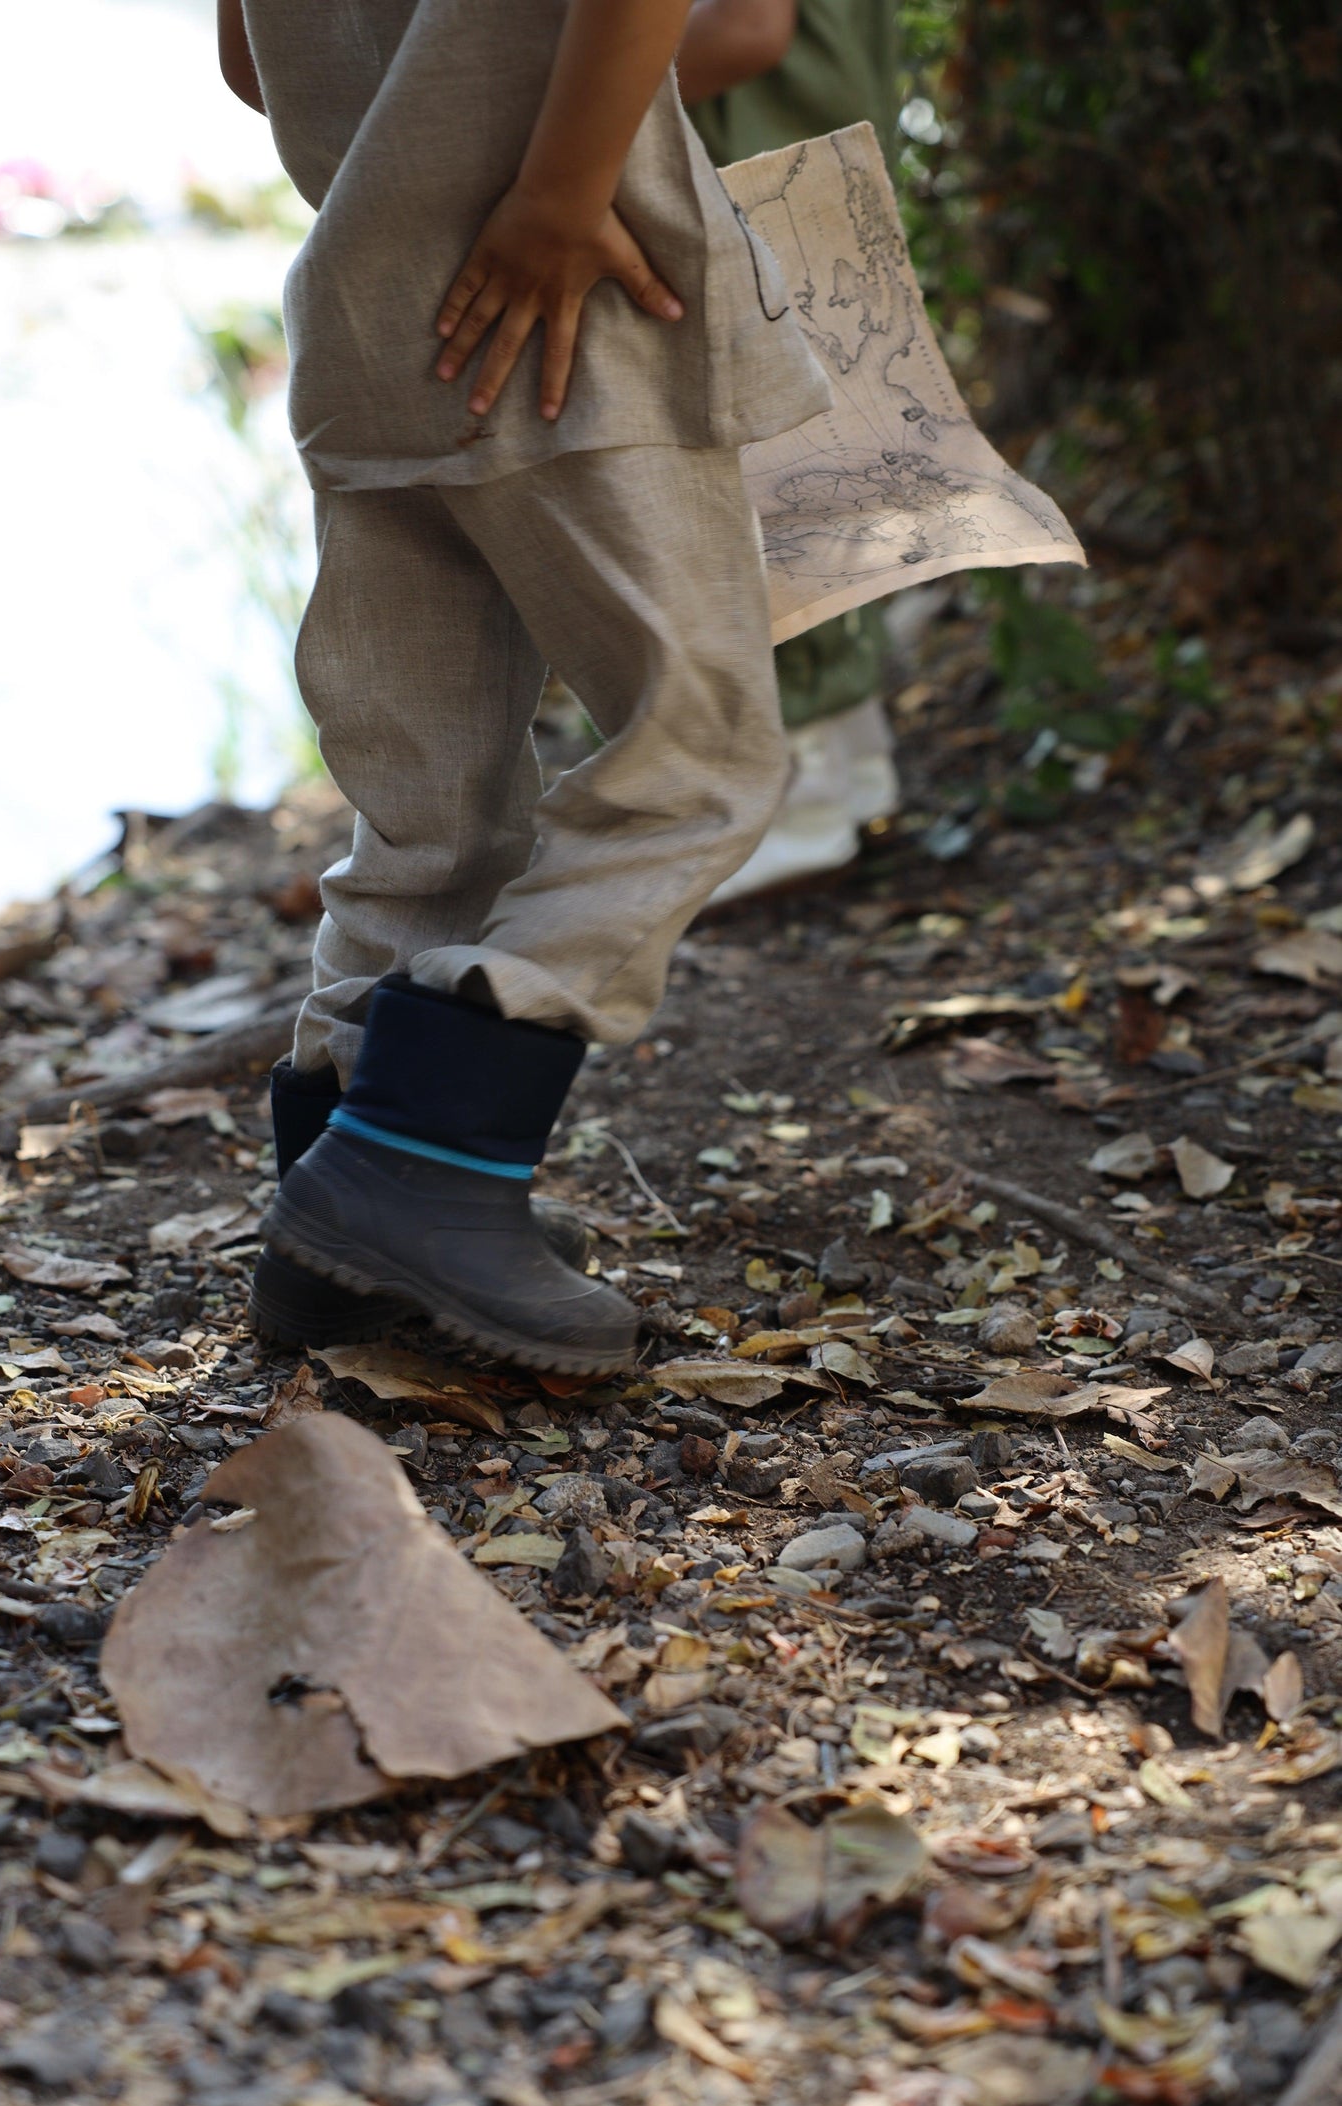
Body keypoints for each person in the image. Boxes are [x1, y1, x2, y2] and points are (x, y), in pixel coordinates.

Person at [218, 0, 833, 1376]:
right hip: (563, 307)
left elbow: (248, 66)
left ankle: (328, 1223)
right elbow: (737, 29)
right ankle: (418, 1170)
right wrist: (557, 191)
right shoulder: (557, 242)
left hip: (371, 318)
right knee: (703, 749)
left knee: (431, 817)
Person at [678, 0, 903, 900]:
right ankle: (852, 769)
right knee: (824, 461)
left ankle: (798, 803)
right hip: (812, 148)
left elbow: (744, 28)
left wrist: (567, 111)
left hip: (752, 161)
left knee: (759, 474)